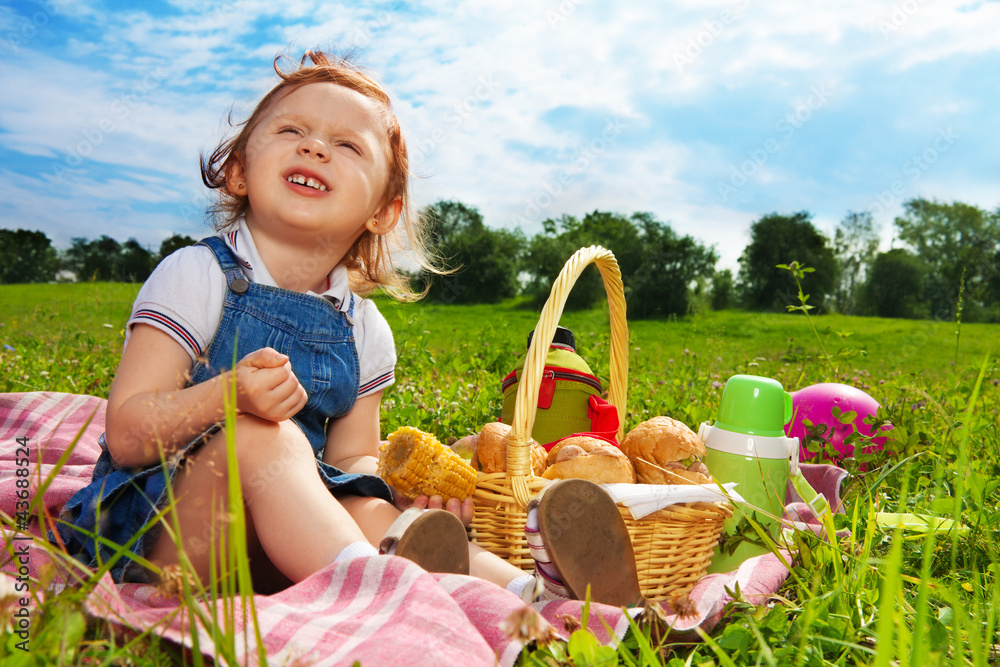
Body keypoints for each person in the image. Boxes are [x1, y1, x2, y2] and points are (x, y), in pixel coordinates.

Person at [54, 51, 640, 607]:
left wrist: (396, 493)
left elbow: (353, 457)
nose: (314, 147)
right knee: (264, 436)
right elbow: (129, 434)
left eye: (346, 145)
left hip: (282, 541)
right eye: (291, 132)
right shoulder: (197, 274)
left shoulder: (364, 328)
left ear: (382, 210)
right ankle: (381, 596)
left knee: (369, 508)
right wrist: (227, 395)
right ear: (237, 171)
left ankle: (538, 598)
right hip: (158, 531)